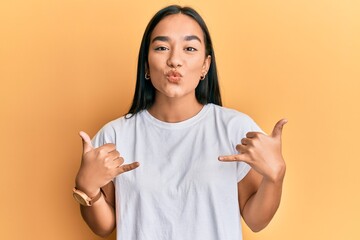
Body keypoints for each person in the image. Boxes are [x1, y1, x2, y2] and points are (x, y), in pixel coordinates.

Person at [73, 5, 287, 240]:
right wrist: (87, 187)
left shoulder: (234, 129)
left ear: (205, 65)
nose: (174, 60)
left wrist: (275, 176)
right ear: (146, 63)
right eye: (162, 47)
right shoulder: (115, 135)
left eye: (189, 48)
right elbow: (104, 227)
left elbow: (256, 220)